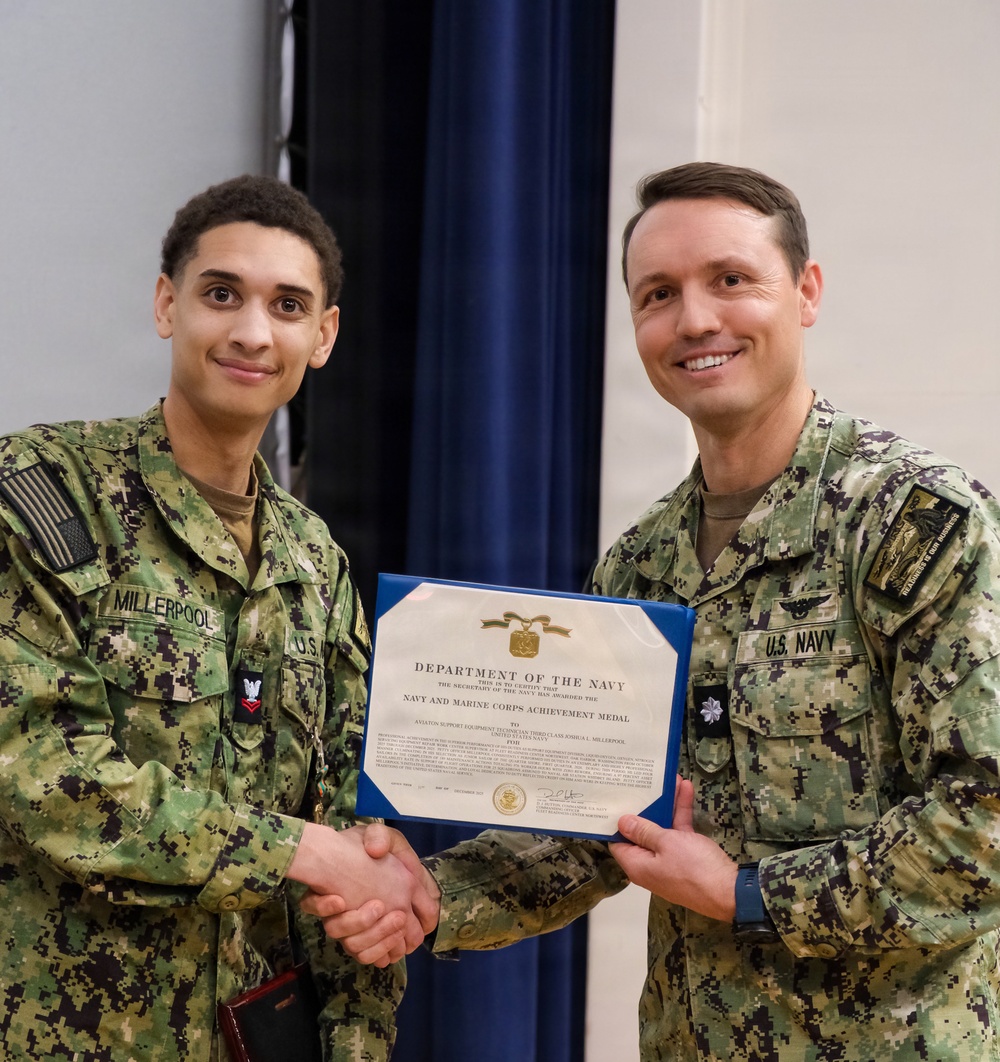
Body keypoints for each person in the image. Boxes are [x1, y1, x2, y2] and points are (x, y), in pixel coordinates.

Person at [314, 162, 1000, 1060]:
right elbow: (600, 825)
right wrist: (433, 897)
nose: (696, 320)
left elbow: (984, 823)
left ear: (807, 291)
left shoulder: (917, 526)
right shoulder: (640, 568)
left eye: (730, 280)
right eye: (658, 294)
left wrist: (748, 893)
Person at [0, 175, 436, 1061]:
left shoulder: (314, 563)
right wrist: (300, 852)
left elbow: (356, 815)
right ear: (168, 306)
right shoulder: (41, 495)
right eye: (221, 294)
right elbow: (44, 778)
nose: (251, 331)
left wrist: (357, 1031)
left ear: (324, 337)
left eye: (288, 305)